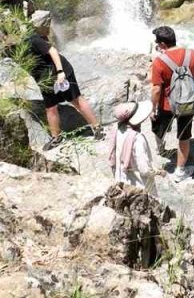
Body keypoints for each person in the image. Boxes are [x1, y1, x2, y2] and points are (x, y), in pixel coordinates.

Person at [26, 10, 100, 148]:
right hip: (45, 80)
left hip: (62, 71)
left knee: (76, 100)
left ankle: (97, 128)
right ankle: (56, 138)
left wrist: (60, 72)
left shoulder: (31, 39)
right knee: (50, 107)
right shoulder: (10, 49)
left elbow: (53, 51)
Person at [149, 25, 194, 181]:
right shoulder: (192, 54)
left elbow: (156, 89)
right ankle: (180, 171)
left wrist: (152, 109)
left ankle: (161, 149)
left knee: (158, 126)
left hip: (166, 105)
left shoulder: (159, 62)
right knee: (184, 136)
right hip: (187, 103)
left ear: (162, 45)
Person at [104, 101, 155, 191]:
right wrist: (157, 172)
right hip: (139, 185)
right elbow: (144, 169)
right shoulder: (137, 138)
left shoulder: (116, 130)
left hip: (121, 180)